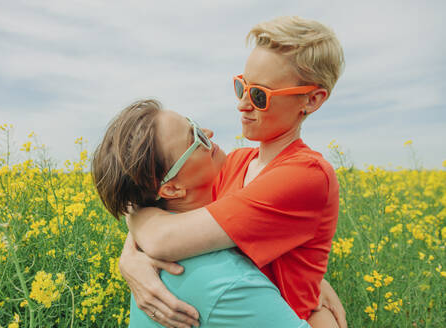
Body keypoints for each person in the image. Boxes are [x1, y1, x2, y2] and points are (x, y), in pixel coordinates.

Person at [121, 16, 346, 328]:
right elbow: (164, 195)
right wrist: (130, 259)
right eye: (242, 86)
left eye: (259, 96)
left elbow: (165, 237)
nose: (242, 104)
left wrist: (134, 248)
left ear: (312, 99)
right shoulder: (234, 163)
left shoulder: (306, 175)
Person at [92, 99, 312, 327]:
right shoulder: (229, 283)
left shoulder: (145, 250)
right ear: (172, 189)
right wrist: (320, 307)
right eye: (196, 139)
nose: (209, 133)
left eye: (195, 125)